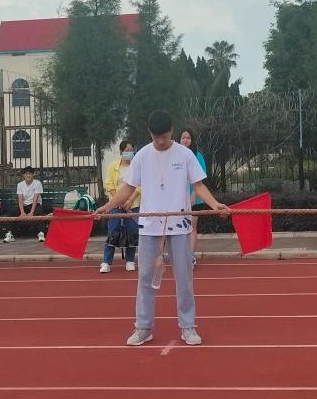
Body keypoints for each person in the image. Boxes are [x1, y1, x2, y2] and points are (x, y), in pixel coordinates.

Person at [95, 109, 229, 347]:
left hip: (180, 225)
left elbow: (198, 185)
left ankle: (188, 326)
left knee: (184, 278)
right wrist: (107, 206)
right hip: (149, 227)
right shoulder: (142, 156)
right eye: (156, 137)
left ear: (172, 132)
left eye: (164, 136)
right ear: (150, 133)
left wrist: (214, 204)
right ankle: (143, 327)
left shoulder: (185, 154)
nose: (160, 141)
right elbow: (128, 188)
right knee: (145, 278)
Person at [100, 141, 139, 273]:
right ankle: (106, 262)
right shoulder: (113, 166)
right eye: (127, 150)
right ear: (121, 152)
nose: (130, 152)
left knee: (132, 232)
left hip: (133, 204)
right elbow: (109, 184)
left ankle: (130, 260)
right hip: (116, 204)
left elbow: (140, 185)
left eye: (132, 150)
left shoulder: (136, 166)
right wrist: (118, 199)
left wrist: (130, 200)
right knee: (112, 231)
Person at [179, 129, 206, 265]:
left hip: (194, 198)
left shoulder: (197, 155)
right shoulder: (175, 155)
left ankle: (190, 256)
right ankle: (181, 256)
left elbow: (200, 178)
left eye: (188, 138)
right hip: (178, 199)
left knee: (192, 228)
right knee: (180, 229)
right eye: (183, 138)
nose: (185, 140)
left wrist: (194, 195)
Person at [16, 166, 46, 243]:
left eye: (30, 174)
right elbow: (20, 199)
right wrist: (22, 212)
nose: (28, 175)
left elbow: (35, 199)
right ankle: (10, 233)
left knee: (40, 212)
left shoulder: (37, 183)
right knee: (11, 213)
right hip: (24, 206)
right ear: (23, 175)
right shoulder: (20, 185)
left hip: (35, 205)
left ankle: (41, 233)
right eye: (26, 174)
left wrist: (31, 212)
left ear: (33, 175)